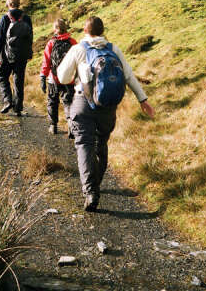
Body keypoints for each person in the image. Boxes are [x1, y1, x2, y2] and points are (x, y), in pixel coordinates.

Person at [57, 16, 155, 212]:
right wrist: (143, 100)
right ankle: (97, 182)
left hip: (83, 103)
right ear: (103, 31)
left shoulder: (79, 49)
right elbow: (128, 76)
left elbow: (62, 76)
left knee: (84, 144)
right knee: (101, 143)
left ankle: (91, 191)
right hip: (108, 107)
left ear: (85, 31)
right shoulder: (113, 49)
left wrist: (80, 77)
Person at [0, 0, 33, 116]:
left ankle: (7, 100)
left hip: (7, 55)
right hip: (22, 55)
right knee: (19, 80)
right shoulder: (26, 18)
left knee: (1, 75)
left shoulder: (5, 18)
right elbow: (30, 37)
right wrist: (29, 52)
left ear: (9, 4)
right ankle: (18, 108)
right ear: (19, 4)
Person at [40, 18, 77, 135]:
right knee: (69, 102)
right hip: (69, 79)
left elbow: (46, 62)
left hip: (54, 78)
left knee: (52, 101)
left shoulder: (51, 43)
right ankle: (71, 126)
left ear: (56, 29)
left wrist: (43, 76)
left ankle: (53, 126)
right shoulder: (73, 42)